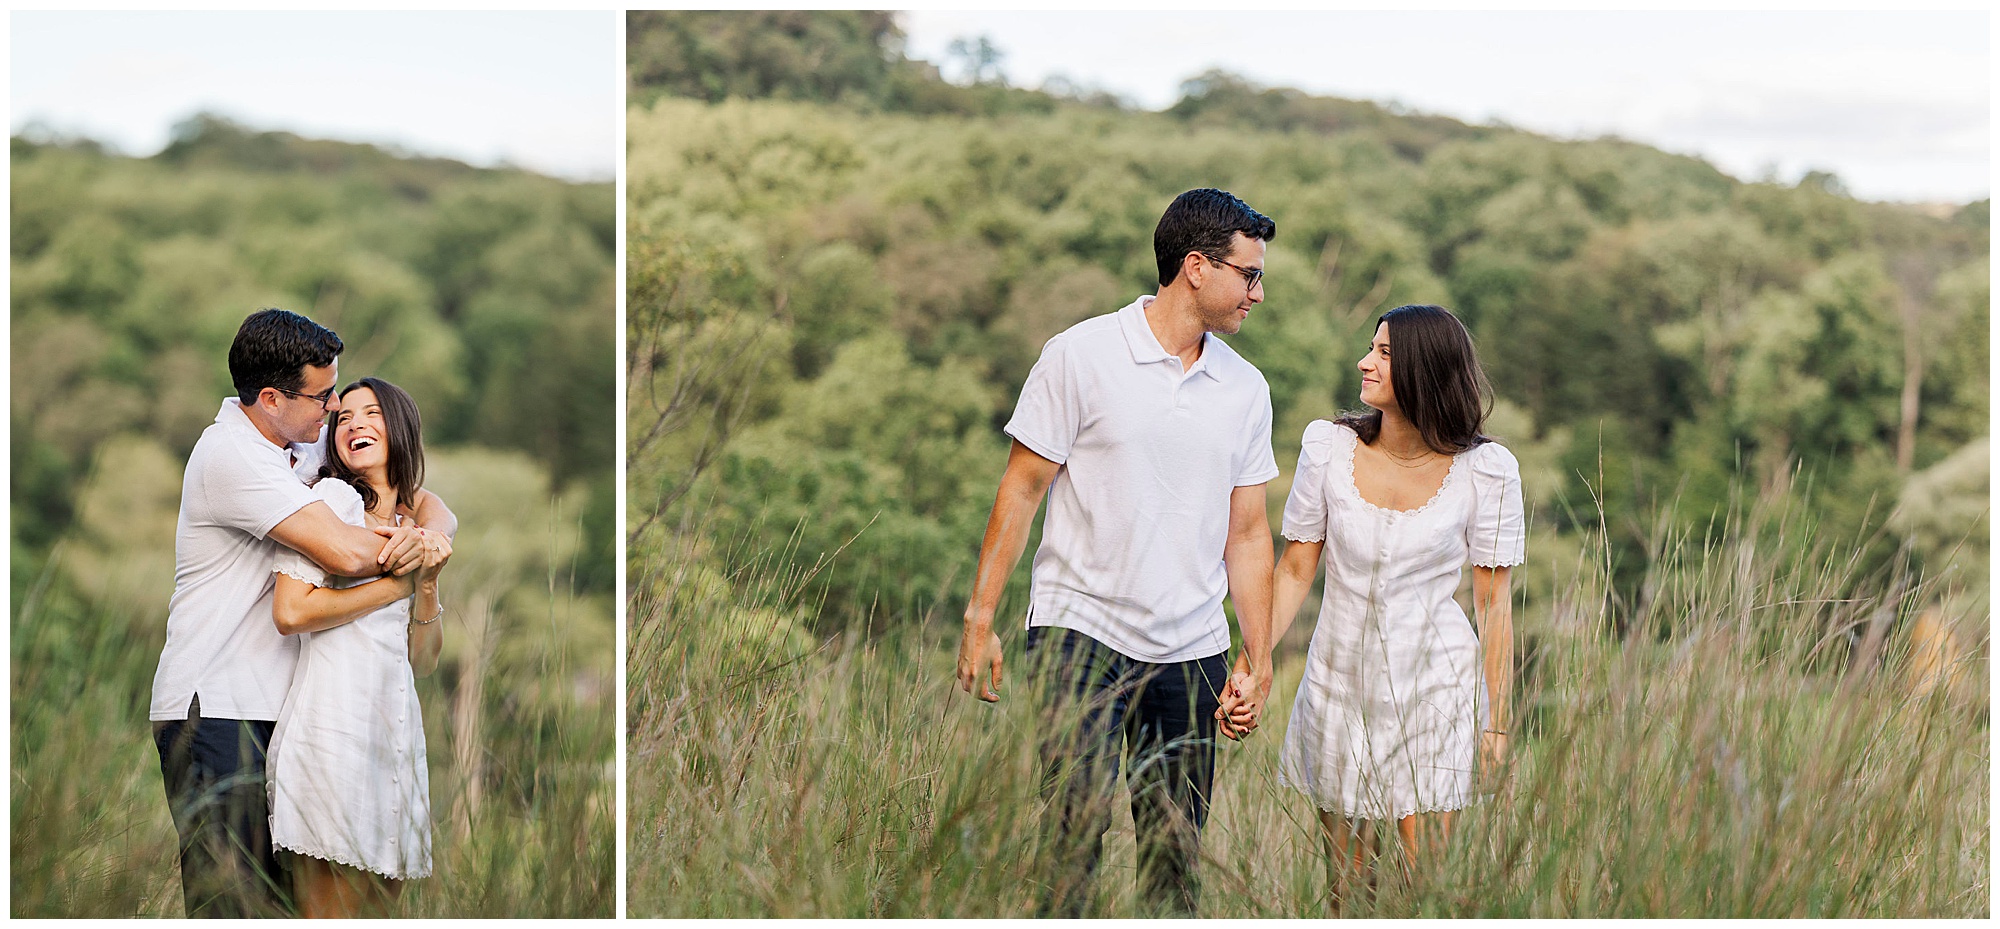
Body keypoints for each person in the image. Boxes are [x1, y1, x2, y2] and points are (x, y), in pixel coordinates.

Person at [955, 188, 1280, 916]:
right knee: (1072, 838)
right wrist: (981, 615)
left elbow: (1250, 531)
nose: (1257, 293)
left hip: (1192, 648)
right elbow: (1021, 488)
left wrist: (1256, 657)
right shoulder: (1080, 354)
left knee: (1175, 858)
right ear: (1196, 267)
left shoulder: (1246, 388)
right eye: (1248, 274)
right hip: (1081, 634)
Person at [149, 308, 455, 917]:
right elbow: (343, 547)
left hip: (278, 710)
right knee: (232, 904)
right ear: (271, 398)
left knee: (280, 908)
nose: (334, 410)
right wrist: (416, 567)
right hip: (216, 710)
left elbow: (415, 493)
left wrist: (440, 531)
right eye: (323, 398)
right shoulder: (232, 458)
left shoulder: (296, 436)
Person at [1221, 304, 1524, 912]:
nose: (1365, 362)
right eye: (1370, 348)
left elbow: (1494, 608)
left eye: (1384, 353)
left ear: (1424, 370)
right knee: (1347, 890)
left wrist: (1495, 725)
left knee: (1427, 887)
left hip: (1436, 692)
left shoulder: (1486, 470)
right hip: (1340, 687)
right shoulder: (1328, 447)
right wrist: (1250, 662)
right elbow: (1296, 567)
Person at [268, 377, 452, 917]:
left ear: (401, 428)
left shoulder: (412, 527)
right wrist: (392, 587)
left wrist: (427, 583)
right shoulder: (330, 503)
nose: (353, 424)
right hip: (332, 736)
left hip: (394, 746)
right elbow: (291, 610)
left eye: (370, 413)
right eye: (343, 417)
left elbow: (424, 660)